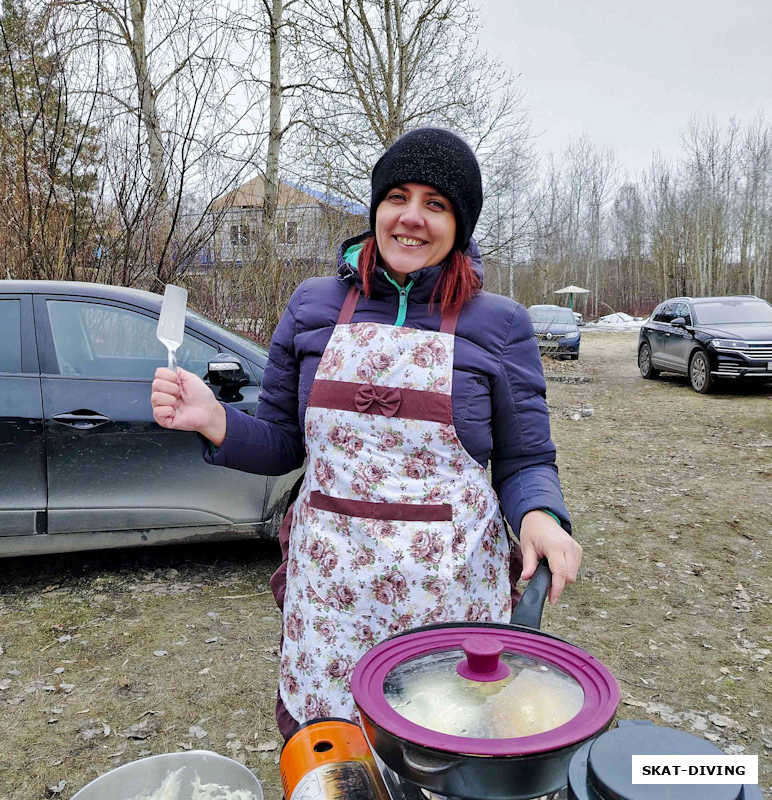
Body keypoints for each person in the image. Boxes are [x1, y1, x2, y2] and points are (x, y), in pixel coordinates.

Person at [150, 127, 581, 739]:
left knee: (441, 748)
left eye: (436, 204)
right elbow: (282, 442)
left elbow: (525, 458)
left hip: (448, 593)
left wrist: (540, 514)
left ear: (460, 225)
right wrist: (215, 421)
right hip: (332, 598)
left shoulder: (502, 325)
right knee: (334, 756)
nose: (411, 218)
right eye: (397, 197)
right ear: (375, 208)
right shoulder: (312, 306)